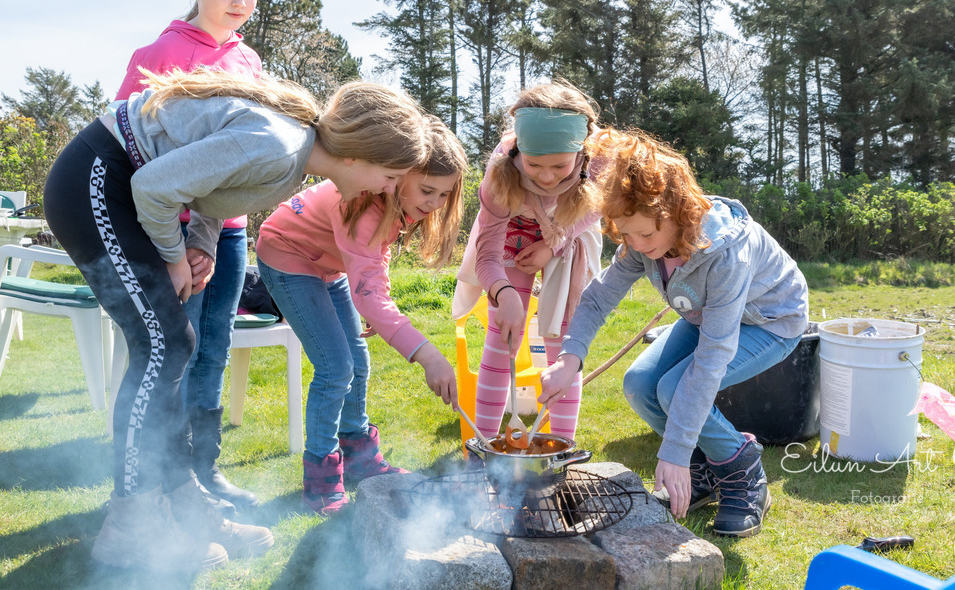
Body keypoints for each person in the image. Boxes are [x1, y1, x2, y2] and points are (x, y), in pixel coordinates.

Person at [43, 68, 429, 572]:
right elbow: (154, 184)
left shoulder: (290, 156)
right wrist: (173, 254)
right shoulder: (279, 146)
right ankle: (131, 523)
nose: (390, 189)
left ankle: (183, 503)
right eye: (392, 177)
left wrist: (198, 244)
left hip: (121, 187)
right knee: (165, 345)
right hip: (97, 180)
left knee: (173, 344)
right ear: (359, 155)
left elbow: (204, 189)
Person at [539, 129, 809, 538]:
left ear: (676, 211)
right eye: (626, 234)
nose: (635, 244)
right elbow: (597, 299)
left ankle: (743, 471)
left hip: (770, 323)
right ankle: (708, 468)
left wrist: (675, 452)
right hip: (708, 317)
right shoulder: (640, 240)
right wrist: (568, 358)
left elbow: (713, 357)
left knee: (674, 389)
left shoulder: (726, 254)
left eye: (645, 234)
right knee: (640, 384)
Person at [114, 0, 263, 512]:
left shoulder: (250, 61)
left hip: (229, 232)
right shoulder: (158, 56)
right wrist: (182, 237)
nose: (239, 0)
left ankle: (205, 470)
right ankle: (166, 480)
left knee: (215, 346)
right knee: (177, 348)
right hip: (170, 229)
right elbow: (131, 146)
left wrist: (217, 228)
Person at [256, 117, 465, 516]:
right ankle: (320, 480)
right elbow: (368, 285)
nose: (434, 203)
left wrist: (372, 297)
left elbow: (373, 257)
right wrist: (428, 355)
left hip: (329, 266)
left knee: (358, 362)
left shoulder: (394, 201)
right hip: (287, 255)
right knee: (335, 367)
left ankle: (359, 456)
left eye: (444, 194)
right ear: (400, 175)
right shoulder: (361, 201)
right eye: (427, 190)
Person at [452, 82, 605, 440]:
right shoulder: (499, 175)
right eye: (534, 164)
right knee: (500, 339)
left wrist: (553, 245)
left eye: (560, 166)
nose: (547, 176)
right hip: (512, 236)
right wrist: (503, 292)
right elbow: (487, 254)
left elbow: (596, 207)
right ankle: (485, 447)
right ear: (519, 150)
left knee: (562, 343)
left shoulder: (601, 160)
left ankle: (562, 449)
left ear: (581, 151)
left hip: (567, 232)